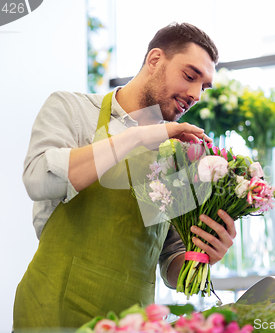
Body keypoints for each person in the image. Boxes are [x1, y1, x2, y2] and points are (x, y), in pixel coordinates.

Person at [13, 22, 237, 330]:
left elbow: (171, 258)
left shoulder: (177, 153)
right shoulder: (72, 109)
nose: (196, 94)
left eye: (204, 86)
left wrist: (203, 257)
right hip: (54, 314)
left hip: (135, 323)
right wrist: (138, 136)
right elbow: (37, 179)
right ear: (155, 60)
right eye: (189, 76)